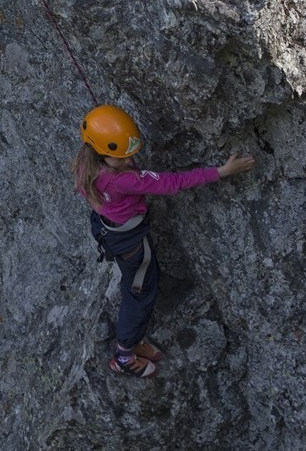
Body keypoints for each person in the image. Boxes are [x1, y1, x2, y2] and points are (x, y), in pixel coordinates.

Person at [71, 104, 255, 378]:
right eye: (121, 157)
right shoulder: (124, 180)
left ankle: (132, 342)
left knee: (137, 288)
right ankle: (124, 355)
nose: (129, 161)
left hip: (110, 230)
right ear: (102, 153)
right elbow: (172, 182)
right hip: (132, 243)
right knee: (140, 294)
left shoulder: (87, 163)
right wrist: (222, 172)